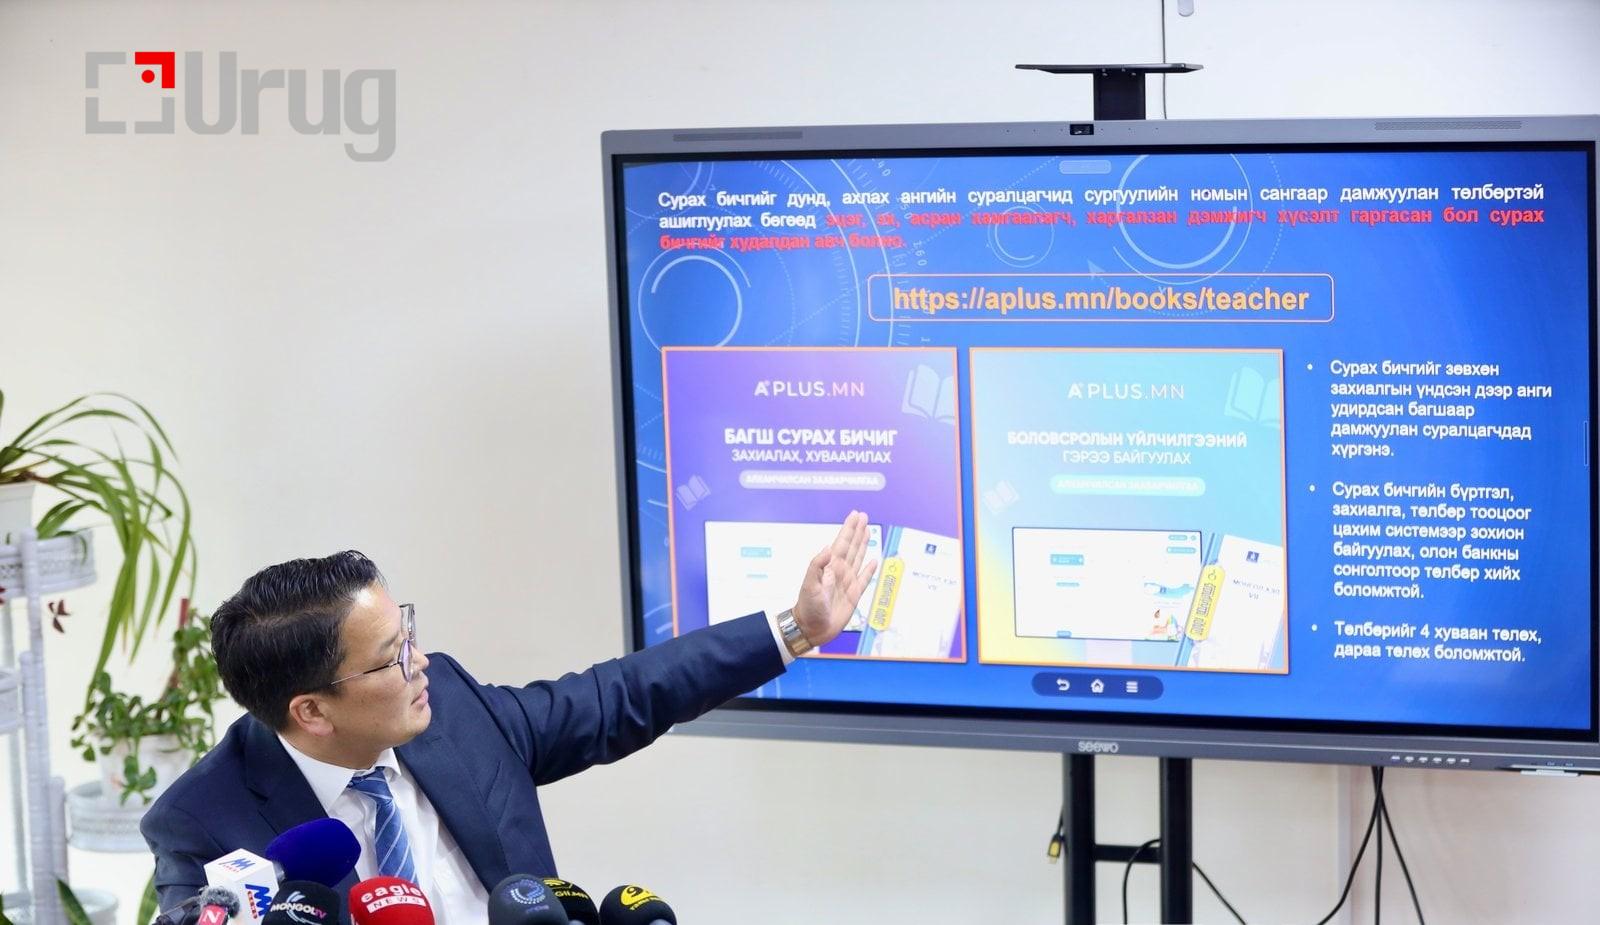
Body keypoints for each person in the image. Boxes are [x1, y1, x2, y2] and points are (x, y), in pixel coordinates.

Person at [140, 511, 878, 922]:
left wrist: (796, 628)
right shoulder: (203, 822)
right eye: (392, 657)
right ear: (311, 711)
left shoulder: (452, 708)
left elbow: (617, 696)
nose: (421, 664)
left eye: (409, 634)